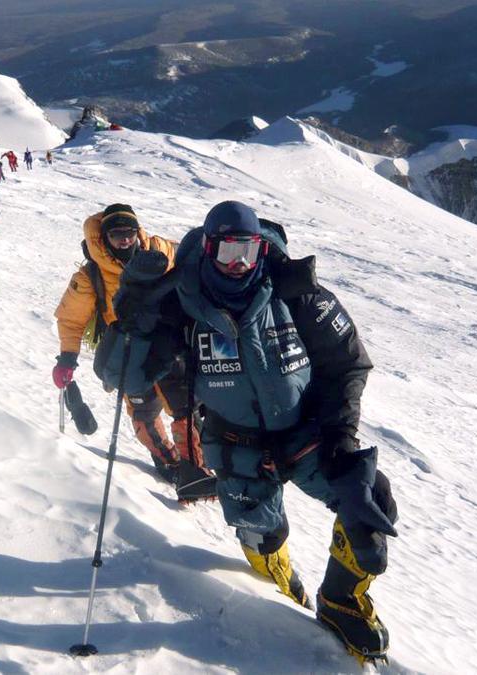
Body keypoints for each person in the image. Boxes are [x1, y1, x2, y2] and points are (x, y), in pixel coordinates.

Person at [100, 201, 398, 663]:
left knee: (370, 499)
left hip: (309, 434)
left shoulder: (295, 290)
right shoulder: (184, 303)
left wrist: (340, 436)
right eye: (226, 252)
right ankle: (278, 590)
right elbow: (124, 377)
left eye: (248, 250)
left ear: (262, 248)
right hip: (236, 445)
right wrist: (133, 314)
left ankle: (342, 601)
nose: (238, 264)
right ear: (208, 249)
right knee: (262, 535)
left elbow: (347, 363)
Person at [53, 204, 217, 503]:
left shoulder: (159, 248)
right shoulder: (91, 275)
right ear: (104, 239)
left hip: (168, 344)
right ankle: (169, 462)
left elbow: (190, 261)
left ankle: (194, 469)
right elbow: (71, 318)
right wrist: (67, 358)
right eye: (117, 236)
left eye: (129, 233)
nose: (125, 241)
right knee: (144, 412)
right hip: (126, 352)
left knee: (184, 407)